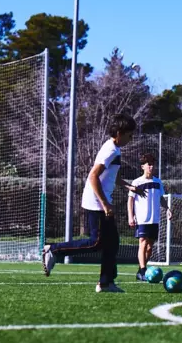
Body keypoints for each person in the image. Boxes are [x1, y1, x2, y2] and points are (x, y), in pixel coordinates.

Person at [42, 114, 137, 292]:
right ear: (119, 133)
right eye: (129, 135)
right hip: (96, 202)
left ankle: (106, 283)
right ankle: (53, 250)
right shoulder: (110, 150)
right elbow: (93, 176)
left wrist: (129, 186)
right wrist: (105, 204)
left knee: (112, 243)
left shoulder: (115, 149)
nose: (131, 139)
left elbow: (113, 176)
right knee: (96, 243)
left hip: (101, 201)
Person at [127, 152, 170, 281]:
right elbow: (130, 200)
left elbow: (161, 198)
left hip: (154, 219)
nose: (151, 167)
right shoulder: (137, 182)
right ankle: (143, 271)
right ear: (143, 167)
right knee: (143, 243)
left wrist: (167, 209)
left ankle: (141, 269)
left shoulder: (158, 182)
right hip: (142, 219)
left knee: (150, 247)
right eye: (149, 164)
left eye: (153, 164)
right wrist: (130, 216)